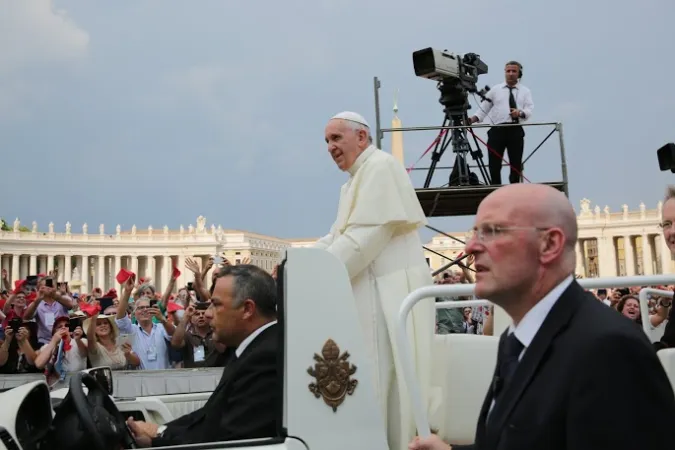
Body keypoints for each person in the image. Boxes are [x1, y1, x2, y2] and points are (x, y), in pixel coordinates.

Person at [409, 183, 675, 450]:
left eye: (492, 231)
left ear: (550, 244)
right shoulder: (514, 340)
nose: (470, 247)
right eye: (475, 232)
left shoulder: (609, 350)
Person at [316, 111, 436, 450]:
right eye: (327, 141)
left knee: (385, 382)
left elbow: (362, 241)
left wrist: (315, 272)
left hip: (387, 297)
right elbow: (337, 235)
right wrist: (298, 260)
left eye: (336, 138)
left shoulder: (380, 166)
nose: (330, 147)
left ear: (362, 138)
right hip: (369, 295)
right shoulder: (353, 181)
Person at [127, 264, 279, 447]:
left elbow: (224, 436)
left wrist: (158, 438)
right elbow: (208, 416)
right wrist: (158, 431)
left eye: (216, 304)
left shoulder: (266, 358)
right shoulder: (256, 349)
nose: (207, 314)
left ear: (247, 309)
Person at [469, 61, 533, 185]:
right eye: (508, 71)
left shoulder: (525, 91)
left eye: (514, 71)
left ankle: (514, 187)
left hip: (515, 129)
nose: (510, 74)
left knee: (516, 162)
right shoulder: (495, 90)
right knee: (494, 162)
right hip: (497, 130)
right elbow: (483, 109)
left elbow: (529, 110)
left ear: (519, 73)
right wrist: (472, 119)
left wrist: (519, 113)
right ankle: (495, 186)